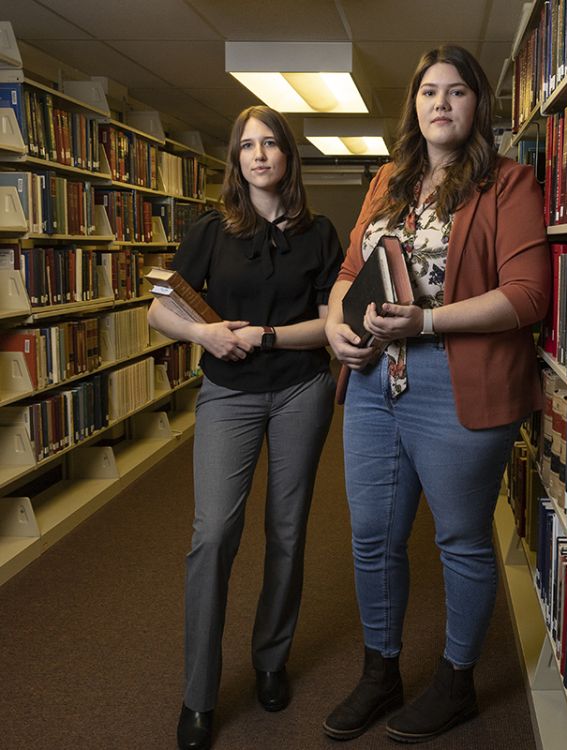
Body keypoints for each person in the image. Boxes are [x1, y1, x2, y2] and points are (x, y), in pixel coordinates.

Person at [322, 45, 550, 744]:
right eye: (428, 92)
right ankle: (381, 671)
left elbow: (528, 295)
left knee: (459, 540)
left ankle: (456, 683)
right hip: (372, 384)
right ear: (414, 106)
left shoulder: (508, 183)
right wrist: (334, 327)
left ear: (477, 104)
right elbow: (348, 271)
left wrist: (424, 321)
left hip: (455, 384)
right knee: (372, 536)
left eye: (456, 91)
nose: (441, 103)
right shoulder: (388, 181)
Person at [147, 105, 343, 750]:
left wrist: (266, 335)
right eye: (247, 146)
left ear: (288, 154)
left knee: (287, 530)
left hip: (301, 390)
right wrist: (203, 333)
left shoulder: (320, 234)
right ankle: (198, 694)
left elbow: (331, 326)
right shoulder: (211, 230)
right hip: (228, 393)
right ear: (236, 159)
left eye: (270, 143)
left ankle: (270, 659)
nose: (259, 155)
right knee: (213, 535)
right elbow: (158, 312)